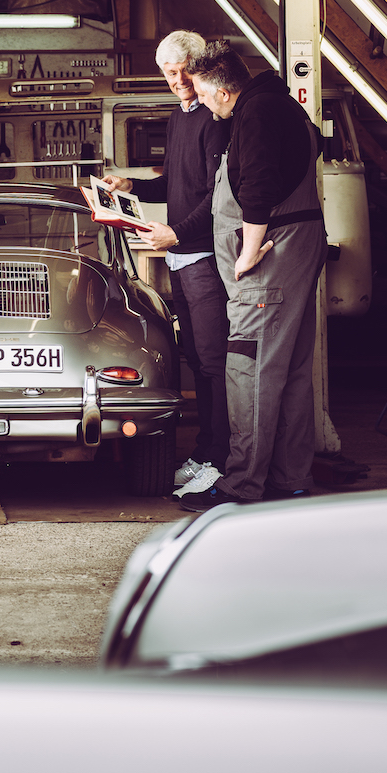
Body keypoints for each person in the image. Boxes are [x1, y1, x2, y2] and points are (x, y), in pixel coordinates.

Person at [178, 40, 327, 510]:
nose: (198, 101)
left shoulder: (257, 113)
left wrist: (246, 253)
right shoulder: (282, 104)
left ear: (222, 91)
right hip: (298, 246)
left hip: (271, 257)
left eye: (201, 92)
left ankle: (242, 485)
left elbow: (259, 183)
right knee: (291, 368)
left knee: (250, 367)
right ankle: (291, 475)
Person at [104, 31, 230, 497]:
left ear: (199, 67)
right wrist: (131, 187)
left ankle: (219, 459)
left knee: (214, 361)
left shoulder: (216, 121)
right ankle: (205, 452)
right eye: (168, 73)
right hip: (181, 256)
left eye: (183, 71)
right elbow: (177, 185)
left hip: (203, 255)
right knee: (196, 357)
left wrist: (178, 232)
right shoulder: (180, 120)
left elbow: (220, 196)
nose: (177, 81)